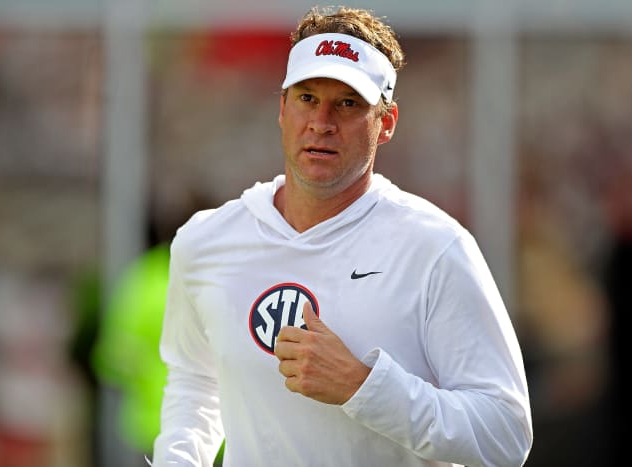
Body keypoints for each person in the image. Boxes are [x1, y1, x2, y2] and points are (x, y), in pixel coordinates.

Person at [152, 6, 533, 467]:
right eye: (307, 98)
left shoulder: (434, 248)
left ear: (387, 122)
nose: (322, 122)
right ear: (282, 109)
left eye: (348, 103)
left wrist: (363, 386)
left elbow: (506, 435)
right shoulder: (205, 242)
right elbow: (195, 379)